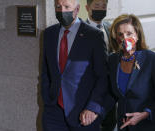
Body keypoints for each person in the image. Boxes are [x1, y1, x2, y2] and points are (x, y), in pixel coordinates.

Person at [40, 0, 108, 130]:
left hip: (83, 114)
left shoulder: (93, 35)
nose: (62, 11)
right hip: (53, 112)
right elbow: (46, 70)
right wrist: (47, 99)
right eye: (58, 7)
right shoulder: (49, 34)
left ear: (77, 9)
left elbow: (103, 77)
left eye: (67, 7)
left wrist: (93, 108)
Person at [107, 14, 155, 131]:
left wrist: (146, 113)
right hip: (124, 125)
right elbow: (112, 94)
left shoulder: (153, 60)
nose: (124, 38)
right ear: (116, 38)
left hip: (150, 124)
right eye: (120, 34)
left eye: (129, 33)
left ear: (137, 35)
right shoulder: (112, 60)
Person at [85, 0, 116, 131]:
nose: (101, 9)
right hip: (91, 89)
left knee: (110, 122)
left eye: (104, 6)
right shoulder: (81, 30)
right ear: (87, 8)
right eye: (96, 6)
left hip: (110, 88)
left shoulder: (111, 28)